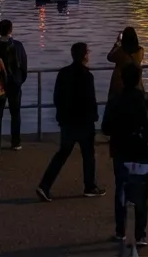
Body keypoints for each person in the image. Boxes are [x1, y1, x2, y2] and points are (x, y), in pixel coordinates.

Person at [101, 63, 148, 248]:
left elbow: (106, 127)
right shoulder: (147, 99)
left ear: (122, 78)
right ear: (138, 78)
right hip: (143, 150)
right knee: (143, 193)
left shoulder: (115, 100)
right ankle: (140, 234)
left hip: (121, 150)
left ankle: (120, 231)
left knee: (121, 189)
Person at [36, 42, 105, 201]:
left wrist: (60, 116)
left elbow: (57, 97)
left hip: (67, 122)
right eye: (88, 52)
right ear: (84, 55)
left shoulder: (63, 73)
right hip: (84, 122)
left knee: (62, 154)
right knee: (88, 155)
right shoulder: (87, 76)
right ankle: (89, 186)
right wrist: (94, 117)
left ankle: (45, 185)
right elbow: (90, 100)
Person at [0, 20, 29, 150]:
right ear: (11, 30)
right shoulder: (18, 46)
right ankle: (16, 142)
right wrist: (20, 80)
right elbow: (24, 65)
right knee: (15, 113)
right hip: (15, 84)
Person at [107, 26, 145, 101]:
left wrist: (117, 43)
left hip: (120, 86)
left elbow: (109, 57)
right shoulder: (141, 51)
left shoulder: (120, 51)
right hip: (137, 84)